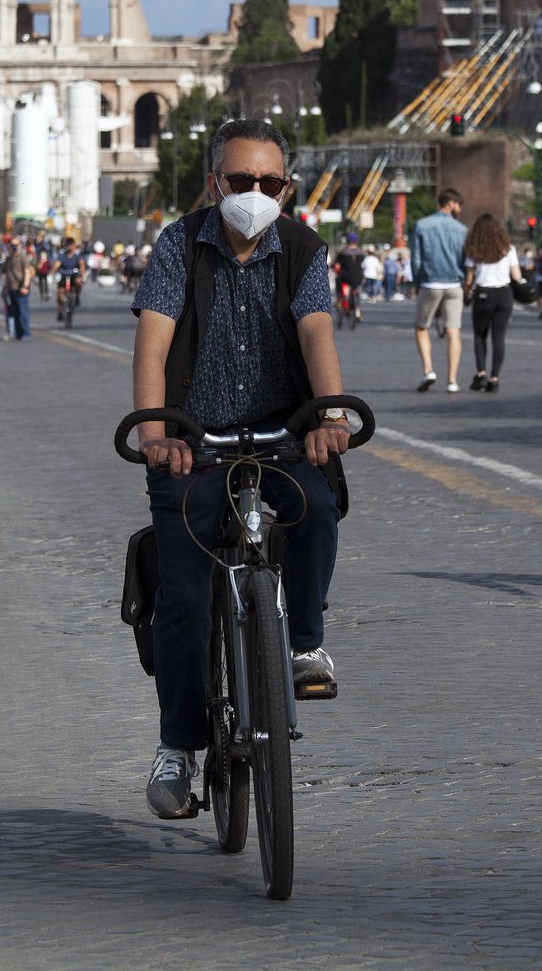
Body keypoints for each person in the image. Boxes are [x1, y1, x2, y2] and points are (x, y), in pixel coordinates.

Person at [129, 118, 349, 819]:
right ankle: (177, 746)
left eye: (267, 182)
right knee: (186, 596)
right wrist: (156, 433)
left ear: (285, 187)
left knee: (315, 508)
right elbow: (152, 345)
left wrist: (330, 417)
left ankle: (306, 646)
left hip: (281, 432)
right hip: (192, 438)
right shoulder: (177, 245)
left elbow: (317, 331)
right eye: (239, 180)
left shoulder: (303, 249)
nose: (253, 193)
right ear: (213, 183)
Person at [410, 189, 467, 392]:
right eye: (459, 205)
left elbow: (416, 259)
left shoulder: (422, 225)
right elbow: (464, 260)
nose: (459, 210)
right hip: (454, 283)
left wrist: (417, 283)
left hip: (430, 283)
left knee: (421, 328)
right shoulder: (461, 229)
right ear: (451, 203)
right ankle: (452, 380)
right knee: (454, 331)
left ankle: (428, 370)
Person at [463, 213, 518, 392]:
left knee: (480, 336)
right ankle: (495, 378)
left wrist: (466, 295)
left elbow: (469, 279)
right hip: (504, 294)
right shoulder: (508, 248)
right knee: (498, 338)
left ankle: (481, 373)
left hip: (483, 294)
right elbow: (516, 276)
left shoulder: (474, 250)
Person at [0, 235, 35, 341]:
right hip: (11, 289)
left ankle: (26, 332)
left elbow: (27, 272)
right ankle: (18, 333)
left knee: (23, 312)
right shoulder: (9, 258)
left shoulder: (22, 257)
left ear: (20, 245)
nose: (14, 247)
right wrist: (5, 288)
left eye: (16, 245)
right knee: (15, 312)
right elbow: (5, 273)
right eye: (12, 245)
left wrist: (25, 286)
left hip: (21, 289)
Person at [334, 232, 367, 321]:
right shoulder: (361, 252)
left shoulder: (343, 252)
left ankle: (339, 303)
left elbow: (336, 263)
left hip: (346, 276)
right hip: (358, 276)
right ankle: (358, 309)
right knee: (358, 291)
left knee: (339, 284)